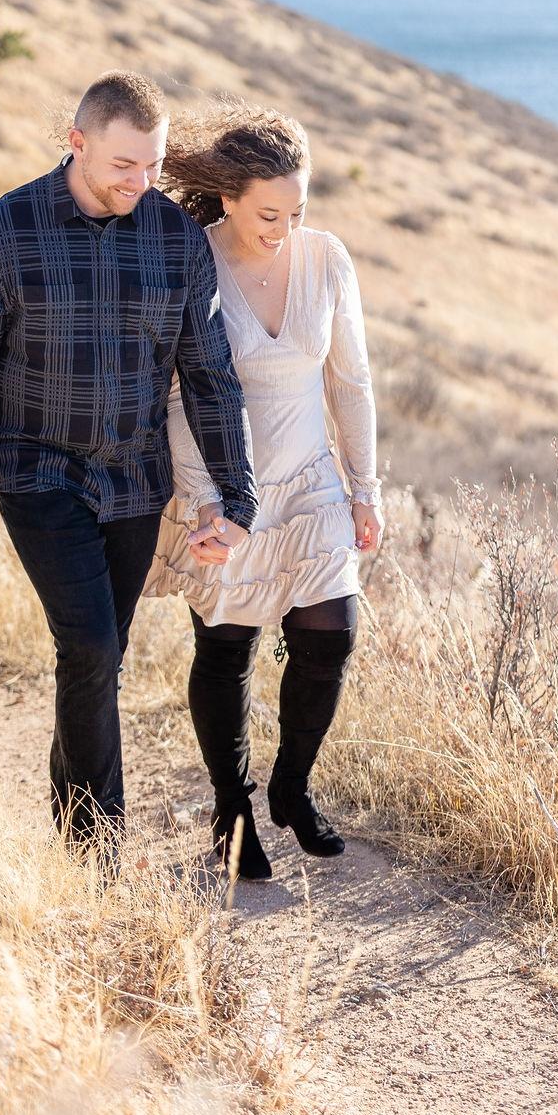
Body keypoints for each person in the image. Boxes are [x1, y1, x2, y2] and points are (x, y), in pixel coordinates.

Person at [0, 71, 258, 851]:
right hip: (36, 470)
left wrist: (238, 498)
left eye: (150, 166)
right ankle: (99, 854)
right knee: (89, 649)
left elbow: (208, 374)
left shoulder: (175, 238)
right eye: (123, 165)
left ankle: (71, 831)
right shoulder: (5, 231)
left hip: (135, 482)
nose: (140, 183)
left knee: (96, 662)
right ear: (76, 143)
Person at [143, 105, 383, 879]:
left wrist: (365, 488)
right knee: (227, 649)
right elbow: (177, 395)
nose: (283, 227)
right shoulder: (192, 259)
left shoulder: (327, 260)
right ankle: (232, 804)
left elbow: (351, 380)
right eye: (267, 212)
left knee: (332, 634)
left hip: (312, 480)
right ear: (229, 198)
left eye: (298, 210)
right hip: (221, 483)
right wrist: (208, 503)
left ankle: (291, 787)